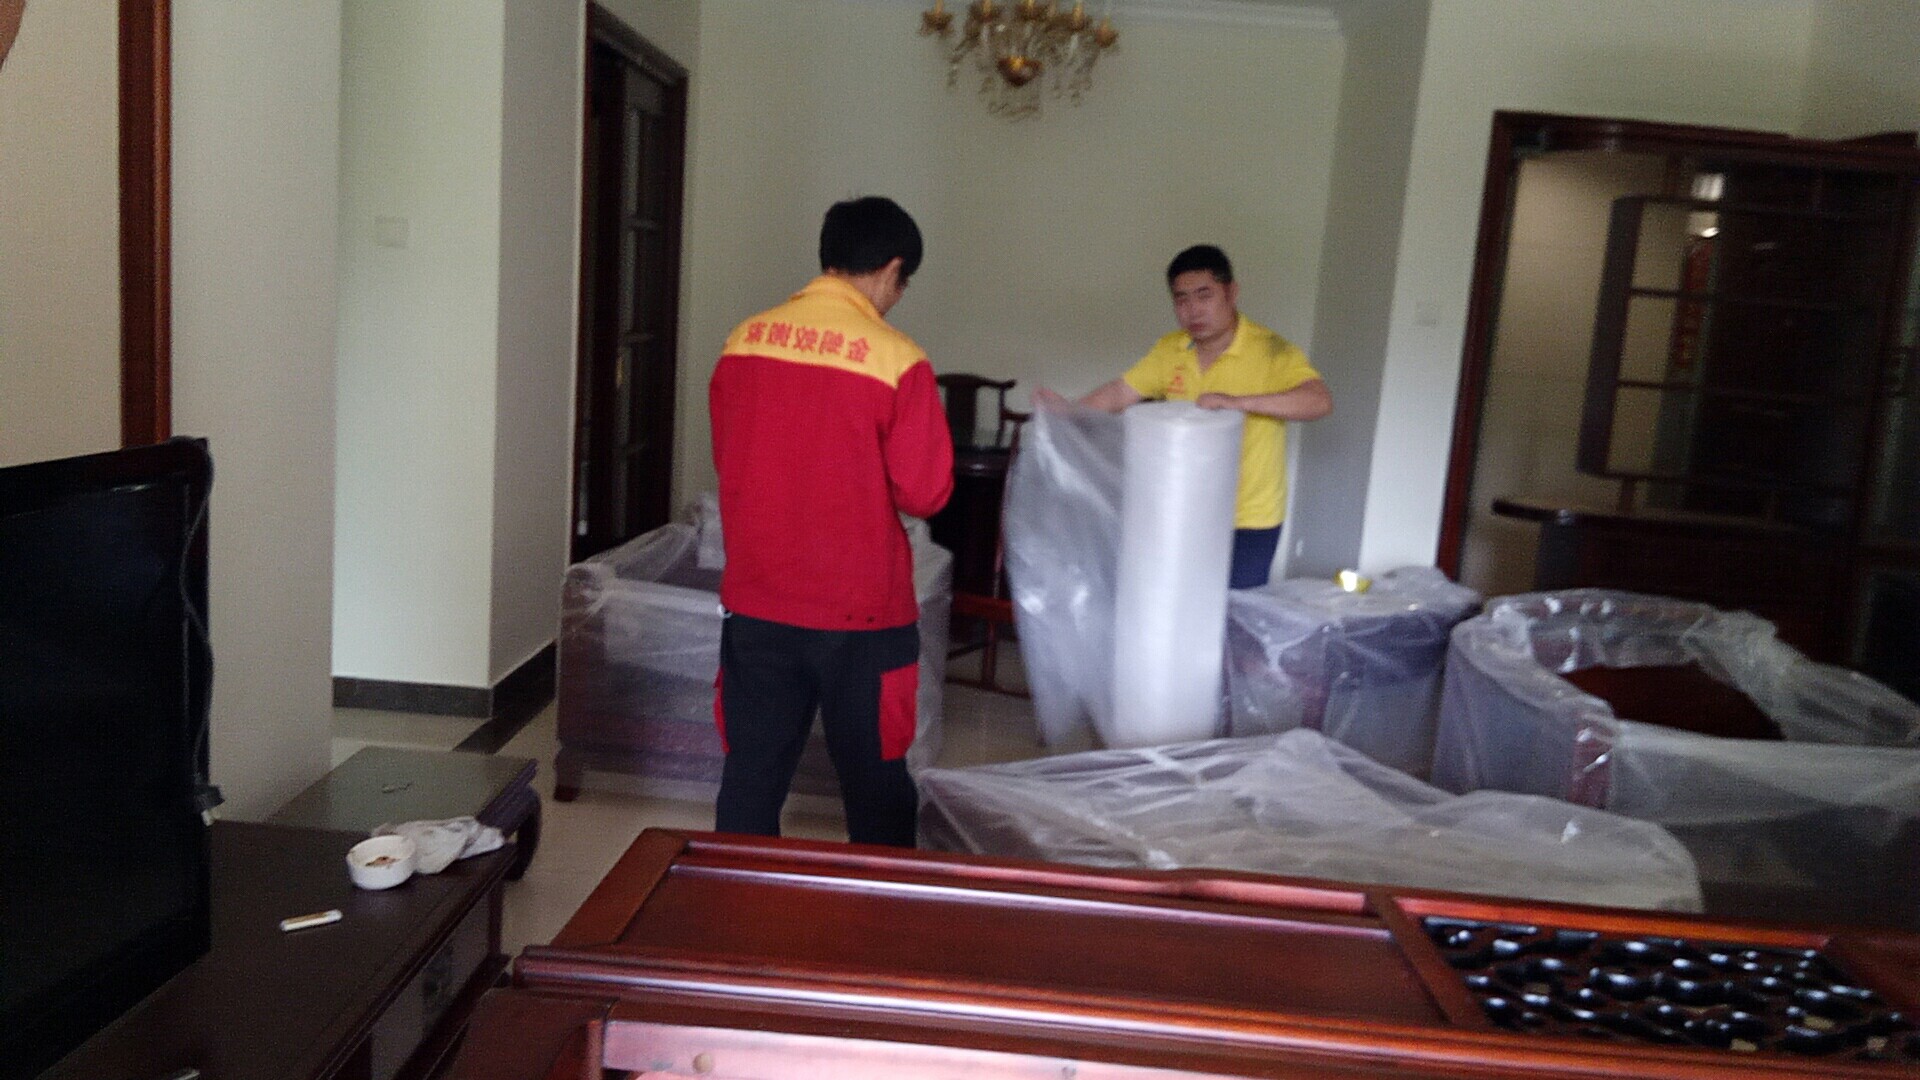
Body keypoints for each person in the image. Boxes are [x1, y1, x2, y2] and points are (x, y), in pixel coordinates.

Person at [707, 196, 953, 847]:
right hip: (863, 615)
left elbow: (730, 456)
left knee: (752, 775)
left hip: (758, 601)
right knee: (875, 785)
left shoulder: (743, 340)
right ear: (892, 269)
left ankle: (735, 901)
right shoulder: (898, 360)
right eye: (902, 284)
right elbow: (926, 493)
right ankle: (877, 905)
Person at [1042, 244, 1331, 589]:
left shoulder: (1271, 350)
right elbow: (1120, 392)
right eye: (1181, 300)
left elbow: (1318, 402)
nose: (1193, 310)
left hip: (1249, 517)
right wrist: (1067, 412)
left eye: (1204, 295)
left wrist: (1238, 403)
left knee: (1236, 611)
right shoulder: (1170, 349)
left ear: (1231, 293)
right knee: (1175, 602)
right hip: (1182, 508)